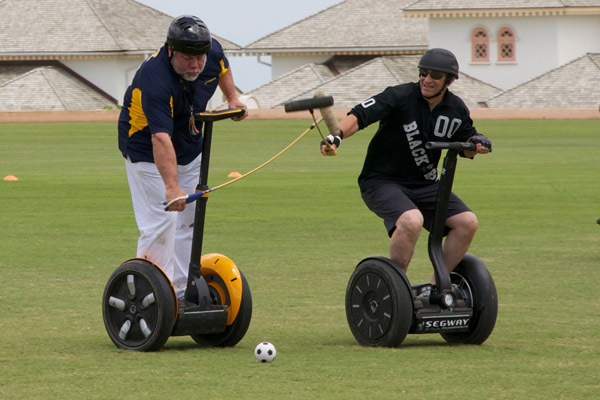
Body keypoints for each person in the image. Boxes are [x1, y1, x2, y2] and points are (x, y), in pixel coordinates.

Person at [320, 48, 491, 286]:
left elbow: (466, 142)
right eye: (423, 72)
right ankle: (397, 289)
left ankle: (434, 288)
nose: (427, 79)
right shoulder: (399, 96)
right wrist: (337, 136)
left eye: (434, 76)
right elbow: (360, 115)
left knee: (467, 223)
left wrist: (477, 143)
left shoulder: (456, 109)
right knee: (412, 220)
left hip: (425, 185)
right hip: (382, 182)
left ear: (449, 81)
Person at [118, 15, 247, 299]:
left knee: (189, 220)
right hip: (146, 149)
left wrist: (232, 99)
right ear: (170, 51)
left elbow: (222, 67)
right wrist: (172, 187)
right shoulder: (154, 79)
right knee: (161, 222)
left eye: (200, 58)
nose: (196, 65)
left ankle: (177, 293)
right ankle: (149, 295)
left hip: (189, 144)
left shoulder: (209, 51)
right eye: (188, 58)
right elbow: (159, 138)